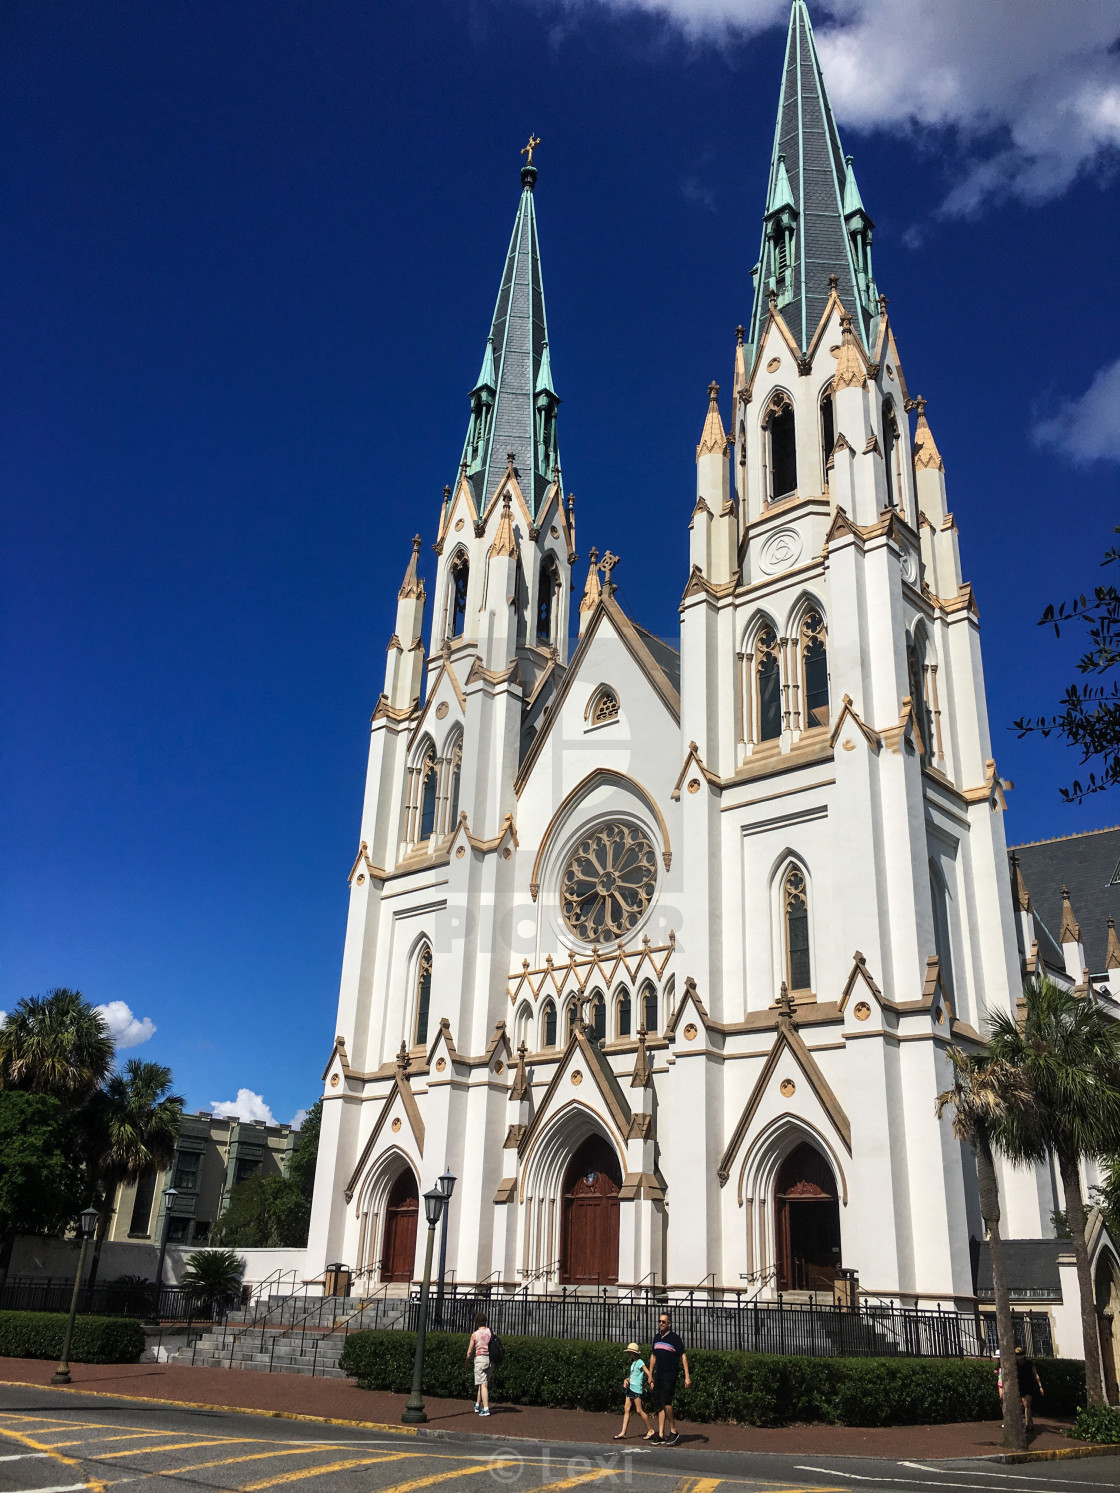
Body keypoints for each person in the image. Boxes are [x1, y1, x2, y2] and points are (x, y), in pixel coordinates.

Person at [648, 1311, 690, 1446]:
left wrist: (687, 1376)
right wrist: (650, 1374)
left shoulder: (675, 1339)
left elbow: (683, 1356)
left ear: (669, 1324)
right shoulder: (657, 1338)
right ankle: (660, 1434)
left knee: (667, 1403)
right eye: (659, 1321)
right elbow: (653, 1356)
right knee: (660, 1403)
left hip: (669, 1375)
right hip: (659, 1375)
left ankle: (673, 1430)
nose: (661, 1324)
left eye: (663, 1322)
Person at [614, 1341, 652, 1440]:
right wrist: (626, 1380)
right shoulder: (634, 1363)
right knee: (626, 1409)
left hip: (636, 1389)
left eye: (630, 1352)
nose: (629, 1354)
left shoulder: (640, 1362)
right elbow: (633, 1376)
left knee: (639, 1410)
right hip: (630, 1388)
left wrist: (651, 1381)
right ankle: (623, 1432)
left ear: (634, 1353)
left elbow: (647, 1371)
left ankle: (650, 1429)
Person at [466, 1311, 492, 1416]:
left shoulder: (475, 1334)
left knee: (483, 1385)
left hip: (480, 1359)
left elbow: (469, 1351)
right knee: (483, 1383)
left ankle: (486, 1409)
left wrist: (467, 1361)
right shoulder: (490, 1332)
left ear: (476, 1322)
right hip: (489, 1359)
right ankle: (477, 1404)